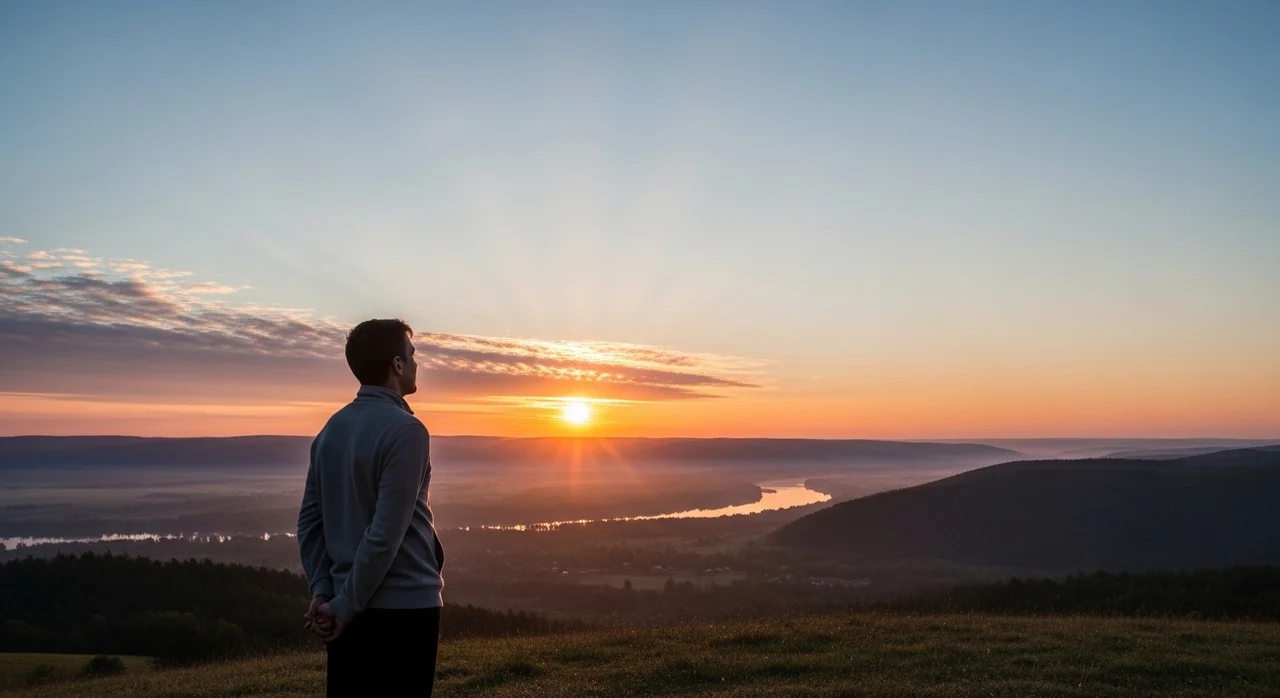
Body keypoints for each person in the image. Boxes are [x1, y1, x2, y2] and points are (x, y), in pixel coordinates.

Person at [297, 318, 445, 697]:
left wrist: (323, 594)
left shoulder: (331, 430)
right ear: (397, 364)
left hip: (343, 606)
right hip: (404, 609)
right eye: (412, 355)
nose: (416, 363)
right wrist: (342, 608)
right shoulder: (407, 431)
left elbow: (310, 524)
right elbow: (384, 535)